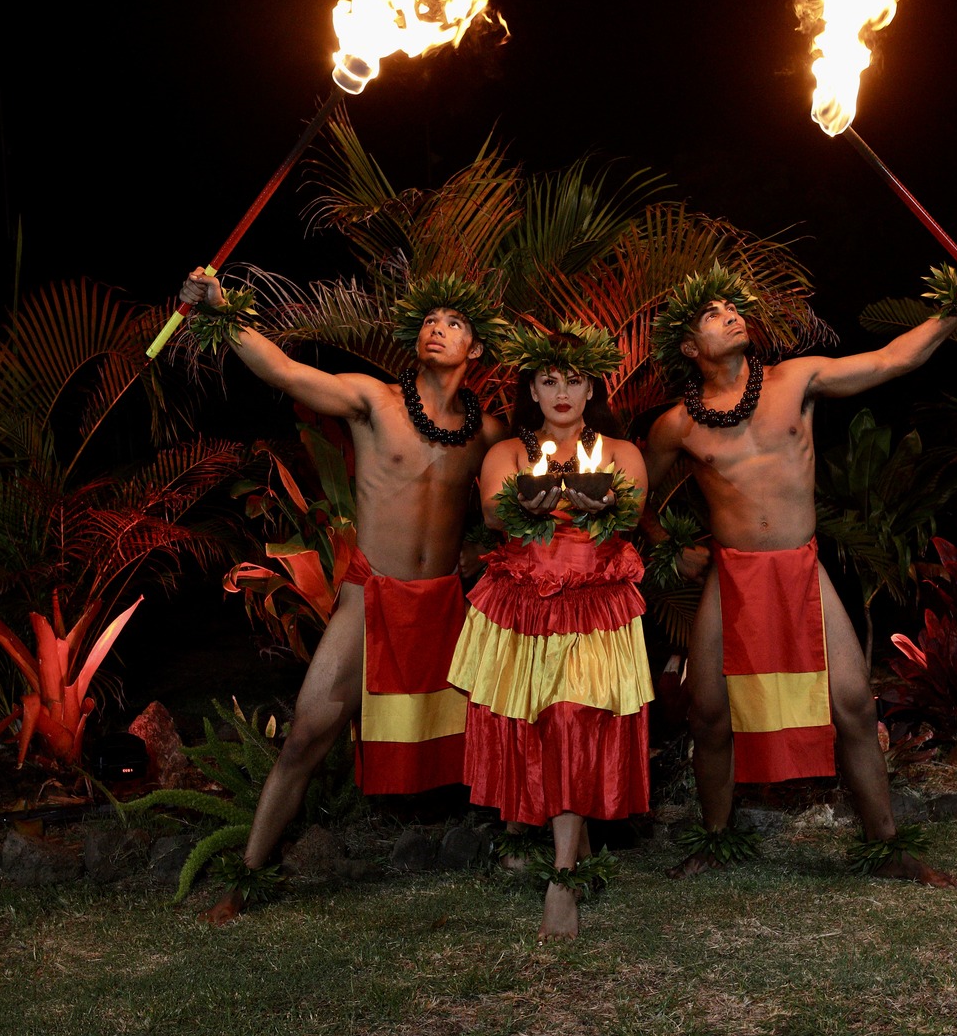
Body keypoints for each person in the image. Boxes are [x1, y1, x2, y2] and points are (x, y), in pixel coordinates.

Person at [646, 262, 957, 884]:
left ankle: (886, 846)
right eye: (712, 313)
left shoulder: (795, 379)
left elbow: (891, 359)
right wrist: (667, 545)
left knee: (854, 704)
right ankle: (716, 840)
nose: (731, 313)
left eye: (733, 306)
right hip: (732, 575)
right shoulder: (676, 424)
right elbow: (635, 497)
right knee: (707, 711)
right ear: (689, 346)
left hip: (800, 568)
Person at [180, 266, 509, 921]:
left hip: (448, 603)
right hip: (373, 598)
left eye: (453, 323)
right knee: (306, 734)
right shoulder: (373, 401)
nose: (436, 330)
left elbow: (515, 496)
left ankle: (534, 849)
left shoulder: (487, 433)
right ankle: (249, 878)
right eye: (428, 321)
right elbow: (284, 370)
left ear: (475, 349)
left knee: (506, 726)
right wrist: (222, 311)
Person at [450, 322, 651, 939]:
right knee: (539, 725)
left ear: (591, 388)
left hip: (594, 605)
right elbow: (491, 510)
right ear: (531, 391)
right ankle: (573, 837)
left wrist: (605, 507)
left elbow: (635, 506)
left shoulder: (621, 452)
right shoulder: (507, 454)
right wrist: (526, 506)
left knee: (571, 719)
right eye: (548, 380)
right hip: (525, 608)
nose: (562, 391)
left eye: (573, 380)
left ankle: (561, 881)